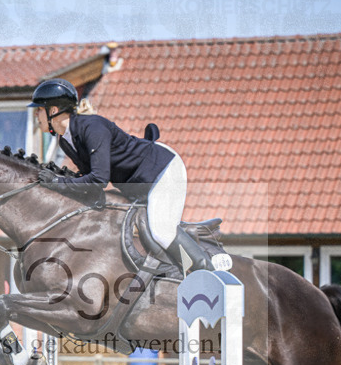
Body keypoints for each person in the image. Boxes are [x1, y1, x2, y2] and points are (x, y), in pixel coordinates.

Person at [29, 78, 209, 272]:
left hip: (162, 170)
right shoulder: (65, 140)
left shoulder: (92, 128)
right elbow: (86, 177)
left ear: (53, 110)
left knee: (162, 232)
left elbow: (98, 180)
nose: (36, 115)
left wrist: (57, 182)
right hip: (138, 183)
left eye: (38, 110)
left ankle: (210, 270)